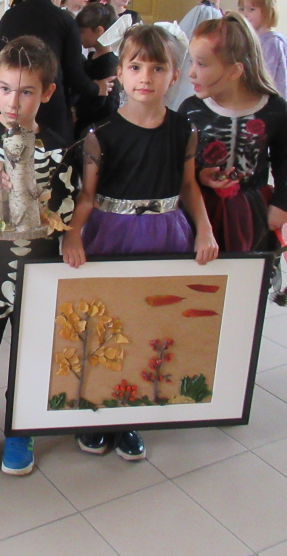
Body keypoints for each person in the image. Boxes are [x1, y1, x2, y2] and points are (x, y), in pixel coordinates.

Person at [62, 25, 219, 457]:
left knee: (150, 324)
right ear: (121, 72)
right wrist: (73, 233)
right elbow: (87, 194)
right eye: (135, 67)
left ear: (174, 75)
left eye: (157, 68)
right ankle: (95, 410)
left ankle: (130, 415)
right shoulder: (100, 132)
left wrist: (204, 229)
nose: (145, 77)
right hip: (111, 233)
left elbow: (188, 186)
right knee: (108, 324)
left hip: (166, 233)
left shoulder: (184, 129)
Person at [0, 36, 75, 476]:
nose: (13, 101)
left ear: (47, 92)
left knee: (33, 350)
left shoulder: (60, 147)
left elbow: (66, 207)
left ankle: (23, 424)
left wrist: (44, 199)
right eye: (5, 89)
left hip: (38, 269)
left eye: (26, 91)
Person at [179, 14, 287, 252]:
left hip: (251, 213)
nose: (191, 73)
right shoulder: (190, 110)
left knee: (247, 271)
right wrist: (200, 174)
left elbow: (285, 157)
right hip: (198, 211)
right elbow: (176, 163)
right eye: (191, 62)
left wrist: (283, 202)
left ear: (234, 71)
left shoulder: (274, 109)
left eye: (202, 64)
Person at [0, 0, 116, 143]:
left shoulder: (9, 15)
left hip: (8, 107)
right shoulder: (64, 20)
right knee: (49, 158)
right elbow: (74, 74)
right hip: (47, 108)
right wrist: (97, 88)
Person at [238, 0, 287, 97]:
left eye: (251, 9)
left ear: (268, 11)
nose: (245, 14)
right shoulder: (247, 39)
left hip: (265, 102)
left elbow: (266, 80)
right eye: (242, 9)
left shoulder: (272, 43)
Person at [74, 3, 119, 136]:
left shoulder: (109, 63)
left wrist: (78, 113)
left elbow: (104, 103)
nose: (79, 36)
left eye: (82, 32)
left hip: (96, 127)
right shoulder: (92, 56)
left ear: (99, 31)